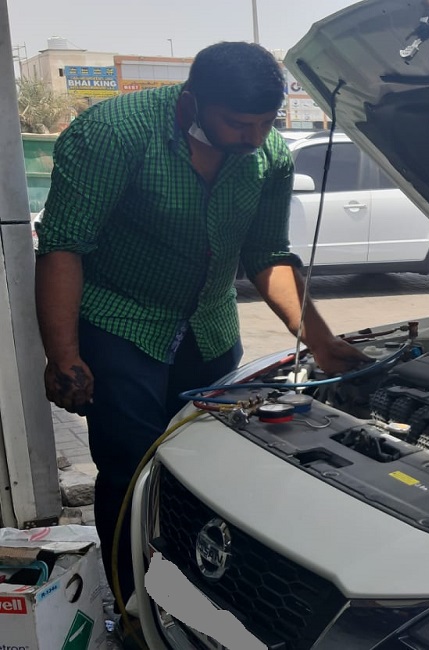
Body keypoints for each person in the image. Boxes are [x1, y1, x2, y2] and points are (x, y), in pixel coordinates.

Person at [34, 41, 368, 636]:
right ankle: (134, 611)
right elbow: (64, 246)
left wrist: (318, 340)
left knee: (213, 472)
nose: (254, 137)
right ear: (192, 103)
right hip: (121, 323)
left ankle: (203, 601)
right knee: (131, 471)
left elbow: (267, 254)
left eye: (265, 123)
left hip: (209, 328)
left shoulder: (267, 154)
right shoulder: (112, 134)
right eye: (238, 124)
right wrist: (64, 357)